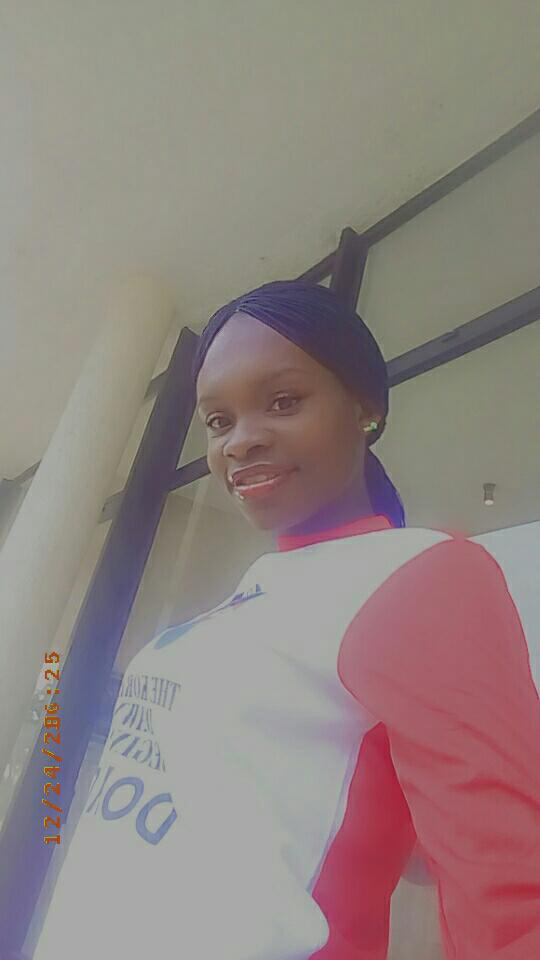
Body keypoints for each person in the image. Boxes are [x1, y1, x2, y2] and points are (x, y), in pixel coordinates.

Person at [34, 280, 540, 960]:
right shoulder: (260, 590)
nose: (240, 441)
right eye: (219, 421)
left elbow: (512, 882)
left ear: (366, 409)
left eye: (283, 401)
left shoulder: (417, 573)